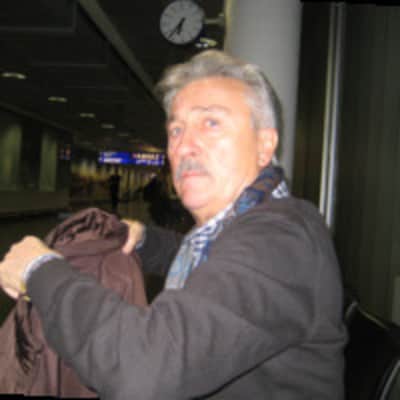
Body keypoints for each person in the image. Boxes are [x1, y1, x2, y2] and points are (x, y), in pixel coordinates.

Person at [0, 50, 347, 399]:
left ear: (264, 144)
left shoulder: (279, 238)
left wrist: (39, 270)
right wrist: (147, 241)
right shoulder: (244, 224)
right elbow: (216, 266)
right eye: (176, 129)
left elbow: (145, 370)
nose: (184, 146)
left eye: (211, 123)